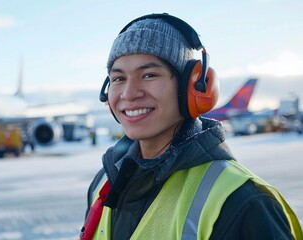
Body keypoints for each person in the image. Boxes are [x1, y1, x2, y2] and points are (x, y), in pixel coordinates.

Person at [80, 13, 302, 240]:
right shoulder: (104, 183)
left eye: (149, 75)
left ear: (194, 87)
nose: (128, 93)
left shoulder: (242, 202)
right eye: (118, 78)